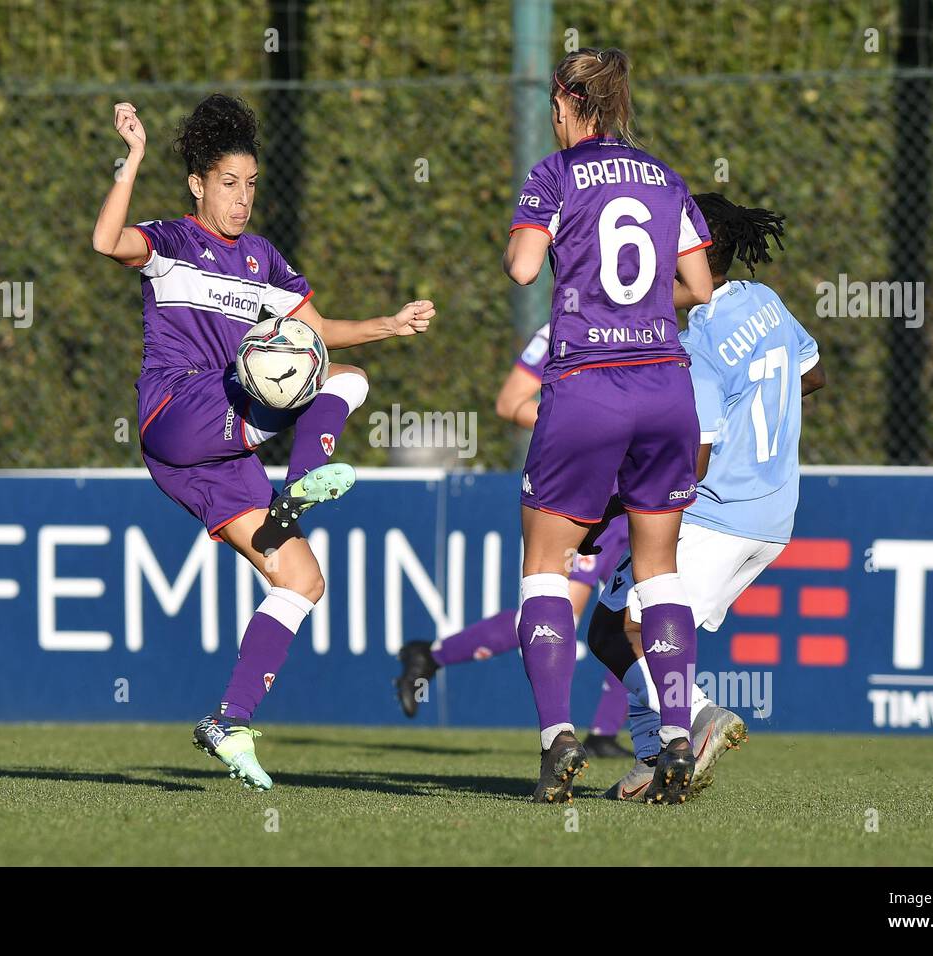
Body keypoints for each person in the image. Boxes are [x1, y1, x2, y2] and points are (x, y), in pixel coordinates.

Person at [92, 95, 434, 791]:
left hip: (224, 451)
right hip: (178, 410)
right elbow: (106, 242)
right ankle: (304, 477)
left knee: (303, 579)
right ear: (198, 184)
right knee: (305, 382)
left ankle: (229, 721)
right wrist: (131, 160)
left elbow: (318, 328)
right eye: (228, 184)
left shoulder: (262, 260)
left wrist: (390, 324)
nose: (242, 199)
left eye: (250, 185)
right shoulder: (174, 245)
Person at [503, 48, 714, 803]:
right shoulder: (665, 176)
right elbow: (699, 285)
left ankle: (556, 737)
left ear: (569, 100)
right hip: (666, 384)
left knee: (545, 566)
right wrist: (642, 308)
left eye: (555, 102)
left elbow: (525, 268)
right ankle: (680, 736)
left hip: (587, 384)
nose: (551, 115)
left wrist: (548, 253)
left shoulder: (553, 174)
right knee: (658, 571)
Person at [585, 193, 827, 801]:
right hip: (774, 515)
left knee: (624, 632)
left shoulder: (697, 343)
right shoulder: (764, 302)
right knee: (617, 629)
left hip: (719, 508)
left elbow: (689, 460)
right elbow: (812, 375)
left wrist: (613, 508)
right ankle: (657, 759)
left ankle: (696, 717)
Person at [394, 322, 633, 759]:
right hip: (586, 488)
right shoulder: (563, 324)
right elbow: (511, 402)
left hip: (634, 488)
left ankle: (604, 732)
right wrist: (587, 425)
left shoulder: (649, 314)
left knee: (630, 608)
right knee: (560, 609)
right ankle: (432, 656)